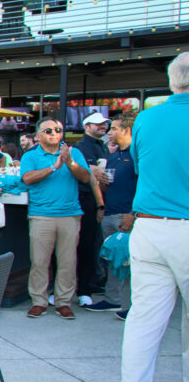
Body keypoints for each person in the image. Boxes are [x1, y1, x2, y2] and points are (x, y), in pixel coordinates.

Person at [114, 53, 189, 382]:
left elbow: (143, 167)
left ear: (172, 81)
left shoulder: (145, 119)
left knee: (143, 323)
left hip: (150, 227)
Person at [20, 116, 91, 320]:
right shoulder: (31, 156)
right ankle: (39, 302)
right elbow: (27, 178)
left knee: (68, 262)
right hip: (41, 215)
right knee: (39, 262)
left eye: (58, 130)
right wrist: (54, 167)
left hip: (70, 215)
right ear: (38, 136)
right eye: (49, 130)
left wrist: (70, 163)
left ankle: (63, 302)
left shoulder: (73, 153)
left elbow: (86, 177)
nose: (54, 133)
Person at [84, 114, 137, 316]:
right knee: (113, 260)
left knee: (130, 262)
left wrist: (132, 213)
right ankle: (112, 299)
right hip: (110, 213)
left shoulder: (137, 155)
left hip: (127, 215)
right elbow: (111, 185)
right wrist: (103, 190)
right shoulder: (113, 156)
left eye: (113, 128)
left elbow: (143, 186)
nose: (109, 132)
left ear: (126, 130)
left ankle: (133, 306)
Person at [75, 112, 111, 307]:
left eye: (104, 124)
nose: (102, 127)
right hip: (84, 201)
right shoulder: (82, 147)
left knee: (92, 246)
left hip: (97, 201)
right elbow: (91, 176)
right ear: (87, 126)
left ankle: (88, 285)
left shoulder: (101, 146)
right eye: (98, 124)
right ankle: (83, 289)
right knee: (84, 246)